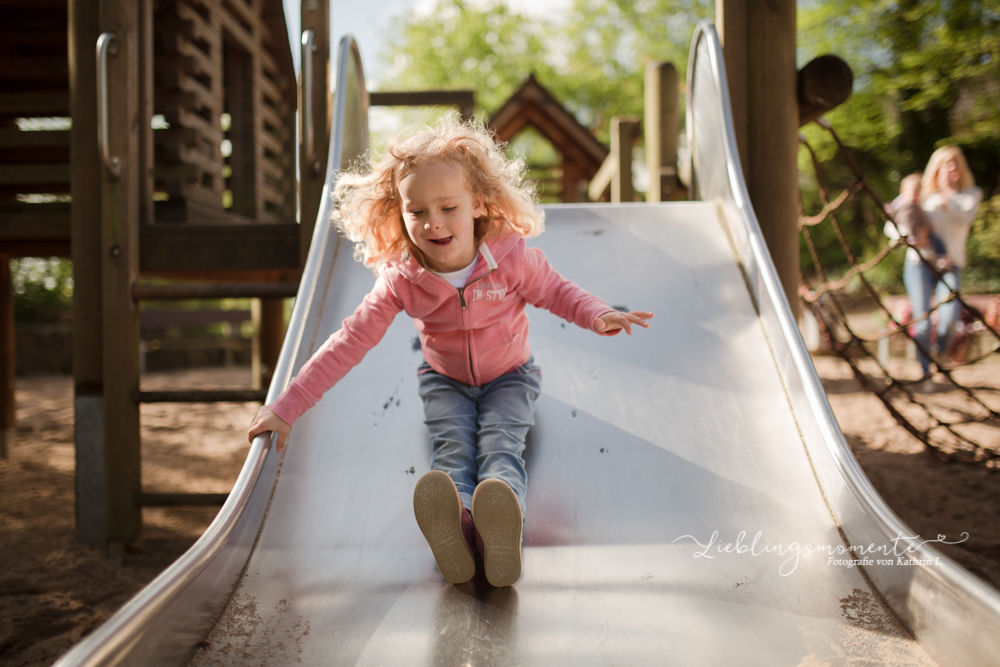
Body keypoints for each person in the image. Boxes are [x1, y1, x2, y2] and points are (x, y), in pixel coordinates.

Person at [247, 118, 653, 588]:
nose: (432, 222)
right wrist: (287, 406)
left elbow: (557, 291)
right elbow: (349, 341)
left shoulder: (509, 258)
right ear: (400, 213)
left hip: (511, 377)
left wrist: (596, 313)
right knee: (454, 452)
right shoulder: (402, 279)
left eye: (447, 207)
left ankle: (502, 525)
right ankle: (459, 529)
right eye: (417, 211)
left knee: (501, 447)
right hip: (445, 382)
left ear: (478, 204)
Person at [905, 146, 982, 384]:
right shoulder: (923, 196)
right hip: (920, 263)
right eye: (946, 164)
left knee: (950, 316)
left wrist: (947, 196)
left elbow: (965, 220)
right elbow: (896, 219)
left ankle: (938, 354)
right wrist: (912, 235)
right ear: (936, 168)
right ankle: (926, 372)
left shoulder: (969, 195)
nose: (951, 169)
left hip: (950, 263)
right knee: (923, 320)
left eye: (955, 163)